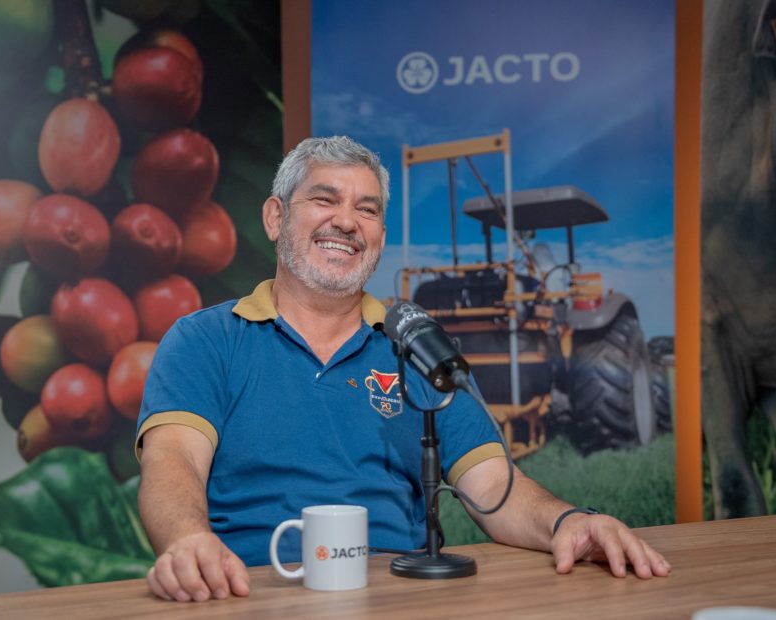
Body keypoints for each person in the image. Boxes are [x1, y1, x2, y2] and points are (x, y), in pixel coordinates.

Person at [135, 136, 671, 603]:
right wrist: (188, 542)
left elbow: (494, 486)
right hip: (242, 592)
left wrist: (569, 521)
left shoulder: (419, 351)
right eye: (325, 199)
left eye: (367, 210)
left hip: (397, 598)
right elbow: (173, 462)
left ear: (381, 237)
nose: (347, 221)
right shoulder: (206, 340)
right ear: (275, 218)